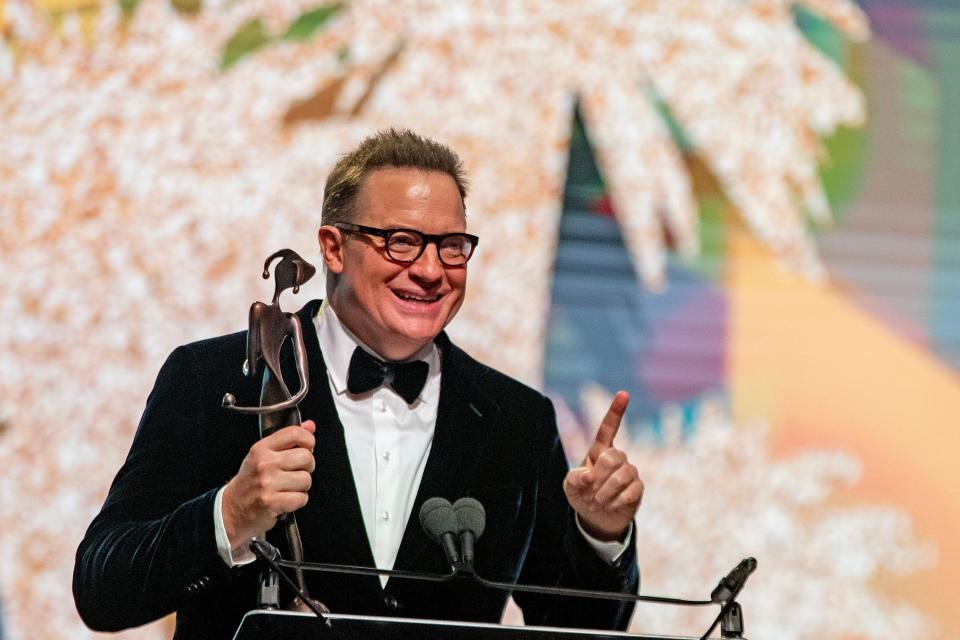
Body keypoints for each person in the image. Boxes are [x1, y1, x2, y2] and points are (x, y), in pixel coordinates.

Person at [73, 129, 644, 639]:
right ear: (332, 247)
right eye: (400, 240)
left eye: (451, 246)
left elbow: (581, 629)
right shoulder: (216, 379)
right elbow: (102, 590)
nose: (429, 269)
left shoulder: (517, 419)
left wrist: (599, 533)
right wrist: (228, 516)